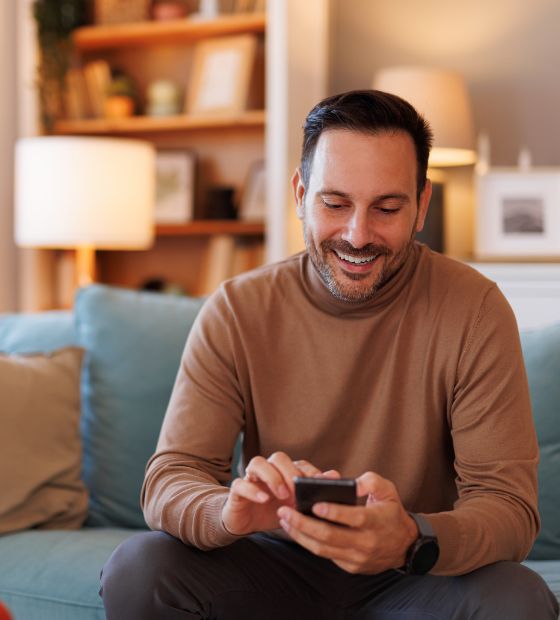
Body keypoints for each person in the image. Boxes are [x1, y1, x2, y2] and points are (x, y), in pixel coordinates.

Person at [100, 90, 559, 619]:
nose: (358, 235)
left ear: (421, 204)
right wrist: (228, 512)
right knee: (140, 567)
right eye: (335, 203)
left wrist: (412, 537)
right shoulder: (236, 310)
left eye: (386, 208)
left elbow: (510, 509)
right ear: (300, 194)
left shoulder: (475, 309)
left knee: (516, 598)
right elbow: (170, 477)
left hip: (413, 576)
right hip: (271, 569)